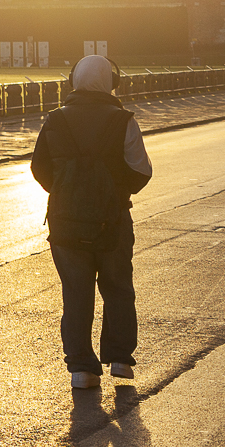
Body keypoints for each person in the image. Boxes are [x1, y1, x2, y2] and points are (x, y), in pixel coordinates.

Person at [31, 54, 153, 389]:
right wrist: (115, 190)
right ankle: (119, 359)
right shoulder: (122, 119)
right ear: (112, 82)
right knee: (117, 288)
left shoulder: (55, 119)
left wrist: (67, 191)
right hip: (112, 221)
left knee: (75, 293)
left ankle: (81, 369)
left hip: (66, 223)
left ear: (74, 81)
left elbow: (39, 167)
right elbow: (142, 171)